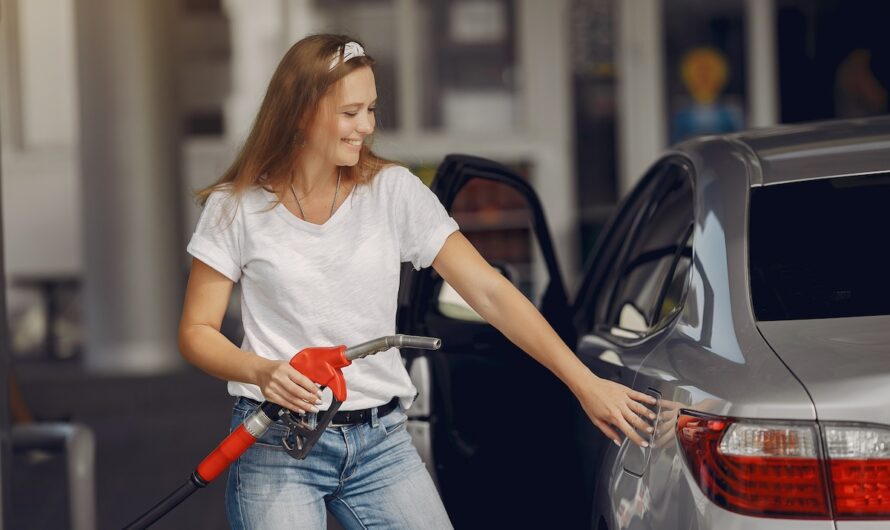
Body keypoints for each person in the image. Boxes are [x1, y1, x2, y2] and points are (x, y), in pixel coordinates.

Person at [179, 34, 656, 530]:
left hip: (379, 443)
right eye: (350, 112)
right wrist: (262, 371)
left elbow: (490, 293)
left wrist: (584, 383)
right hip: (276, 439)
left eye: (371, 109)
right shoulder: (236, 208)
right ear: (300, 112)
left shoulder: (393, 192)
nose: (366, 126)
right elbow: (196, 333)